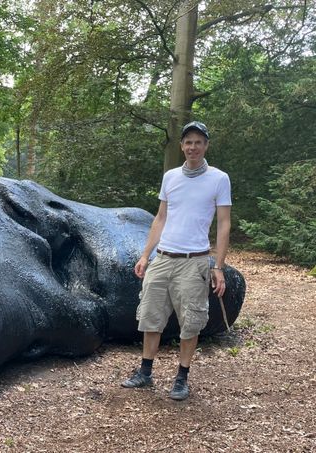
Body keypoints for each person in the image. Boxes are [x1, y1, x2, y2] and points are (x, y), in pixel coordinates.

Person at [121, 121, 231, 401]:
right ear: (182, 146)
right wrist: (146, 255)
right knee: (150, 317)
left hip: (194, 261)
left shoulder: (219, 179)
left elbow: (223, 224)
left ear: (206, 145)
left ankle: (182, 378)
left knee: (191, 322)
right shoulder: (170, 177)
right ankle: (145, 372)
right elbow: (160, 217)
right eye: (188, 142)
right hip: (163, 258)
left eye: (198, 142)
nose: (193, 147)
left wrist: (218, 266)